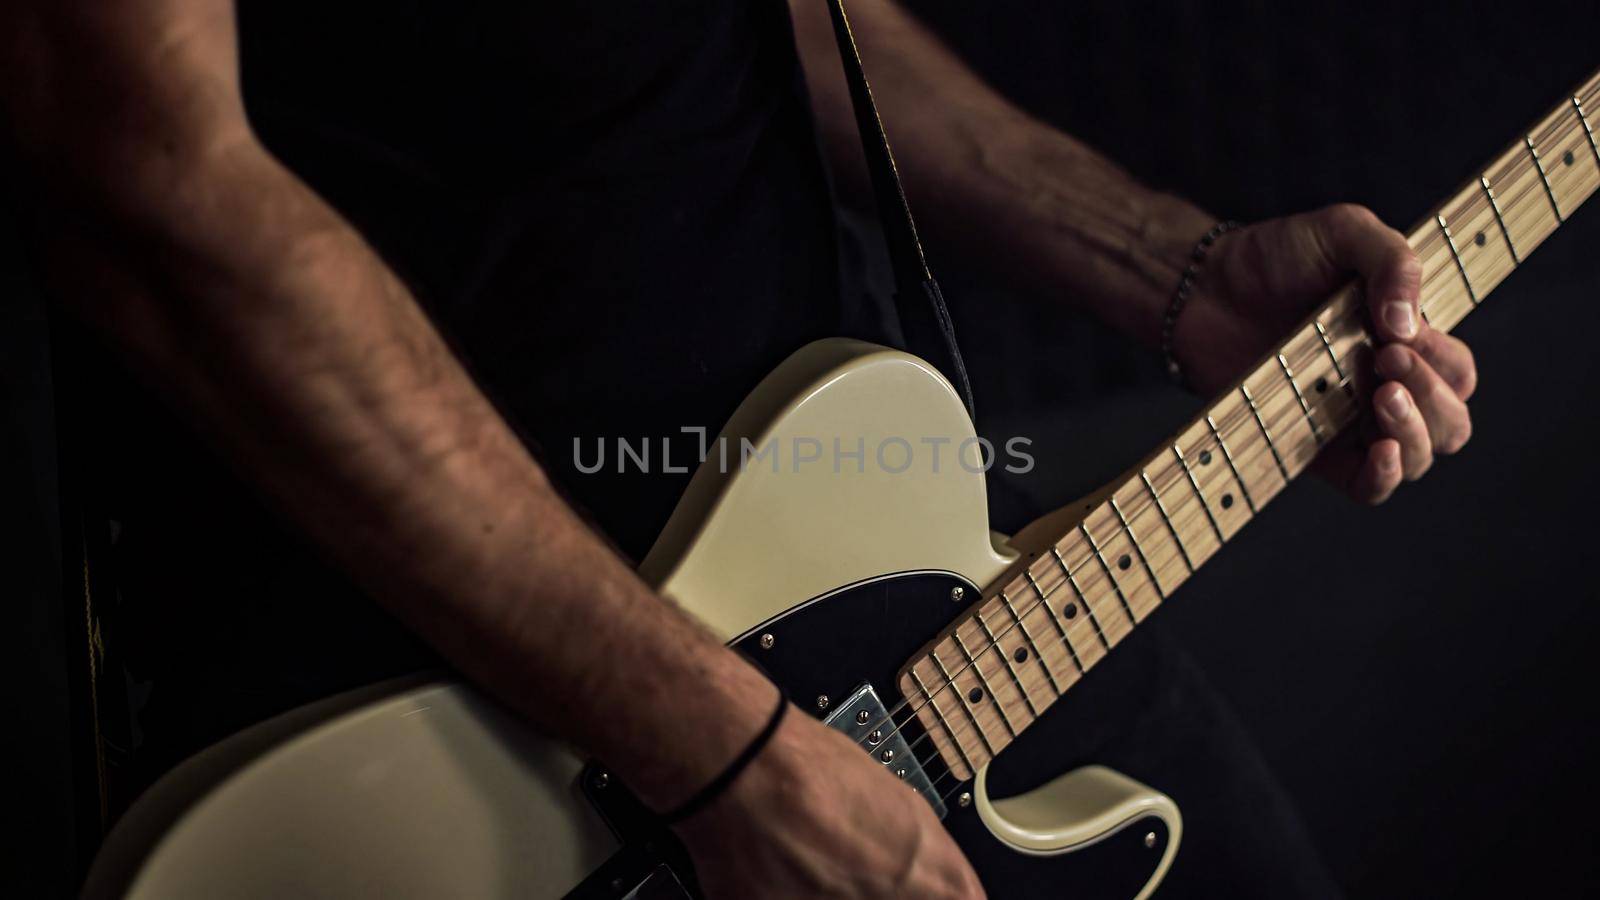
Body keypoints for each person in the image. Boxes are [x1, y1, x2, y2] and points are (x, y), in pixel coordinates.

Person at [1, 1, 1476, 896]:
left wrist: (1170, 267)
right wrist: (728, 768)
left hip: (886, 555)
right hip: (472, 729)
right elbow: (147, 177)